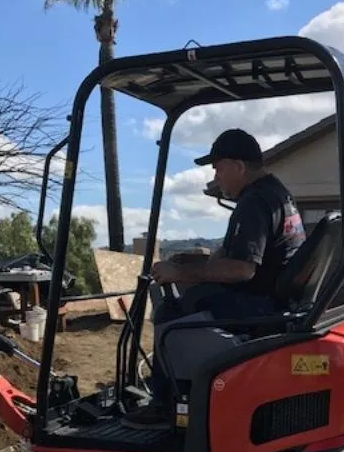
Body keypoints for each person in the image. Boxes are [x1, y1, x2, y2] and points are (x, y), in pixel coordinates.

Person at [127, 128, 306, 425]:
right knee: (192, 298)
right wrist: (193, 262)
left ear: (238, 166)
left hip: (261, 305)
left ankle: (166, 405)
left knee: (171, 312)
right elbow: (237, 255)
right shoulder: (276, 194)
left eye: (219, 168)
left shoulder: (254, 202)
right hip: (276, 299)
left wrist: (179, 272)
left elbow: (243, 269)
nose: (216, 176)